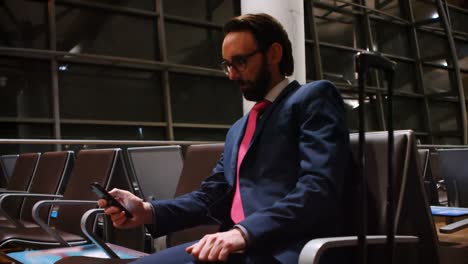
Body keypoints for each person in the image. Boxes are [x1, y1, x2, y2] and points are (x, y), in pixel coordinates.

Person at [99, 13, 352, 264]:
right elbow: (209, 197)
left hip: (285, 248)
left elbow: (319, 188)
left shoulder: (312, 98)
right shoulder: (239, 129)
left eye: (240, 62)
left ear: (274, 54)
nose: (232, 75)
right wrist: (147, 211)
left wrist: (244, 232)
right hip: (237, 247)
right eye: (227, 65)